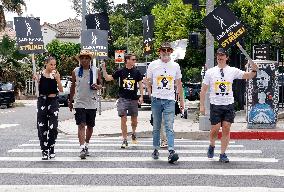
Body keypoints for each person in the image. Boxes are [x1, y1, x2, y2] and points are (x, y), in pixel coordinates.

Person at [200, 48, 258, 163]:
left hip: (228, 104)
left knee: (226, 128)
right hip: (215, 104)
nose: (220, 57)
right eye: (218, 55)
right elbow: (203, 90)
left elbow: (248, 75)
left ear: (227, 58)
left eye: (222, 55)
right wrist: (202, 105)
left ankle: (222, 154)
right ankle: (212, 145)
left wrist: (254, 70)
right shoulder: (210, 72)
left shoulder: (232, 70)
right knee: (215, 129)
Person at [146, 42, 184, 164]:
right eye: (163, 50)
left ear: (171, 52)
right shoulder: (153, 65)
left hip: (169, 100)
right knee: (156, 126)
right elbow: (148, 80)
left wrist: (181, 100)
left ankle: (171, 150)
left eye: (168, 51)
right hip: (156, 99)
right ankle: (156, 149)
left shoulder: (175, 66)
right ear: (160, 52)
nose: (166, 53)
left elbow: (179, 83)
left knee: (169, 126)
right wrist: (150, 93)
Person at [102, 53, 143, 148]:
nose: (134, 61)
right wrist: (104, 69)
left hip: (133, 99)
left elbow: (140, 84)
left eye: (135, 59)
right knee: (123, 119)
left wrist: (141, 96)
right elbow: (108, 78)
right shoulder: (121, 71)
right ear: (127, 60)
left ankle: (133, 133)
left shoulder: (137, 72)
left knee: (134, 121)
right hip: (123, 98)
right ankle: (124, 139)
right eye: (133, 59)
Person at [69, 50, 102, 159]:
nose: (84, 60)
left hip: (92, 102)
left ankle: (87, 144)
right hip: (79, 102)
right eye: (82, 58)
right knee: (81, 124)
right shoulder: (76, 71)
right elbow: (73, 86)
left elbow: (100, 84)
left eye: (86, 58)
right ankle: (82, 147)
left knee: (90, 126)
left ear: (90, 59)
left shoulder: (96, 71)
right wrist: (70, 100)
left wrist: (98, 87)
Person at [35, 56, 63, 160]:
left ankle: (51, 148)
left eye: (54, 64)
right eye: (51, 64)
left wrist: (58, 79)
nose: (53, 66)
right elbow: (37, 91)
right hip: (42, 101)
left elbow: (60, 89)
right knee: (42, 127)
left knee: (53, 127)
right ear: (46, 64)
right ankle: (44, 150)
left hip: (53, 101)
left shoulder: (56, 74)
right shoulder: (40, 74)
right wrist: (36, 80)